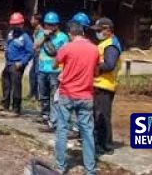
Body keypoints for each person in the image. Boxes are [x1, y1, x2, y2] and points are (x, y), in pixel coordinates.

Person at [53, 22, 98, 175]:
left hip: (67, 94)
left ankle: (60, 167)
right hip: (86, 95)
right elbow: (96, 71)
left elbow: (54, 64)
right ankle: (90, 170)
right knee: (87, 132)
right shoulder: (94, 48)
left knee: (62, 129)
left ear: (71, 34)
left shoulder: (67, 47)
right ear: (83, 32)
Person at [91, 17, 122, 155]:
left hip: (105, 86)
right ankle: (99, 142)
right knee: (98, 115)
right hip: (99, 84)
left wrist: (94, 68)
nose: (97, 33)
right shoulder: (105, 42)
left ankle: (106, 145)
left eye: (99, 30)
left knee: (102, 116)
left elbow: (109, 65)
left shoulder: (111, 45)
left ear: (108, 30)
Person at [35, 11, 69, 127]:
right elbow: (35, 46)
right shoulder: (43, 34)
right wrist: (44, 36)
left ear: (57, 25)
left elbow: (63, 53)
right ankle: (45, 115)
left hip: (55, 71)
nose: (48, 27)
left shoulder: (63, 37)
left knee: (54, 96)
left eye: (51, 24)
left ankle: (54, 120)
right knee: (43, 94)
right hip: (42, 69)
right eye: (47, 24)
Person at [2, 12, 34, 115]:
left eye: (17, 24)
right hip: (8, 63)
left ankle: (16, 109)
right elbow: (7, 44)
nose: (15, 26)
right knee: (6, 84)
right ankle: (5, 106)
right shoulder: (10, 34)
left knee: (16, 87)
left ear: (22, 24)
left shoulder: (25, 37)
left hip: (17, 64)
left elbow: (30, 52)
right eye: (13, 24)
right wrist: (5, 49)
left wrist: (22, 62)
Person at [28, 14, 43, 99]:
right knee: (32, 74)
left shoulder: (41, 31)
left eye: (32, 19)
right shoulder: (36, 30)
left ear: (37, 21)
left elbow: (37, 44)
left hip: (39, 55)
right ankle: (32, 93)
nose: (31, 21)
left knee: (37, 74)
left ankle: (37, 95)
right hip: (35, 55)